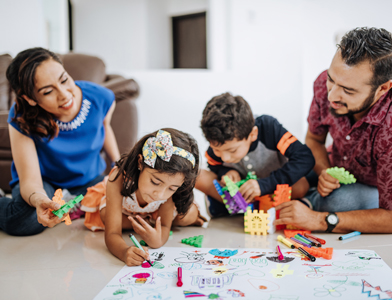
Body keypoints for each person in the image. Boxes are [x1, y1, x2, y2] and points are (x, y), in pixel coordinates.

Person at [275, 27, 392, 234]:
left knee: (338, 202)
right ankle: (308, 199)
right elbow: (314, 140)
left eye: (348, 90)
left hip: (377, 188)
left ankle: (309, 204)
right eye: (332, 80)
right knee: (284, 166)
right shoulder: (323, 84)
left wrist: (319, 220)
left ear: (383, 88)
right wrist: (325, 172)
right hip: (335, 163)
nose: (331, 96)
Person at [0, 47, 120, 236]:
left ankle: (72, 204)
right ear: (30, 98)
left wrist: (118, 164)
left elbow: (105, 128)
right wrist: (39, 199)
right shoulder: (21, 116)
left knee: (118, 208)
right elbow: (31, 180)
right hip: (45, 181)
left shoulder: (101, 97)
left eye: (64, 80)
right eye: (48, 91)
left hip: (89, 178)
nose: (64, 94)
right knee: (25, 221)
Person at [80, 128, 202, 266]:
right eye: (155, 182)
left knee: (189, 215)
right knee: (105, 215)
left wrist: (158, 240)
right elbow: (112, 233)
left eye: (172, 188)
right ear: (140, 162)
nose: (160, 194)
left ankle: (147, 222)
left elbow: (164, 226)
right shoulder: (118, 178)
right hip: (124, 211)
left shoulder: (167, 190)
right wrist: (124, 251)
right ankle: (147, 222)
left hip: (154, 213)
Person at [195, 92, 315, 216]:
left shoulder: (269, 128)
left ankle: (255, 207)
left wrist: (266, 184)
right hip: (243, 192)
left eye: (232, 151)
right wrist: (225, 172)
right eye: (217, 149)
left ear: (253, 134)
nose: (225, 157)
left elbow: (305, 158)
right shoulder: (217, 140)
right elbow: (214, 165)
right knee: (198, 176)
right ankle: (239, 206)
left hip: (273, 188)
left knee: (301, 185)